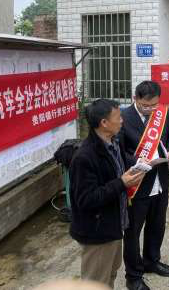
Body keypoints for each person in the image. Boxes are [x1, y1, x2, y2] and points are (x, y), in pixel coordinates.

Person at [69, 99, 145, 287]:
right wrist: (122, 183)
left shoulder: (114, 142)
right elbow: (86, 199)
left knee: (111, 272)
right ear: (104, 123)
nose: (122, 121)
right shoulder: (84, 157)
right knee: (96, 282)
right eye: (118, 117)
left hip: (114, 224)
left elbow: (120, 163)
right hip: (97, 232)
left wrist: (140, 163)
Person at [118, 81, 169, 290]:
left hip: (160, 181)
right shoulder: (123, 118)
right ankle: (133, 275)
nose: (151, 109)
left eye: (154, 105)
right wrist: (136, 161)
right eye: (146, 106)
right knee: (133, 233)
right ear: (136, 99)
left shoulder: (163, 114)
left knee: (157, 225)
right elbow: (118, 151)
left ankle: (151, 261)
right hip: (137, 185)